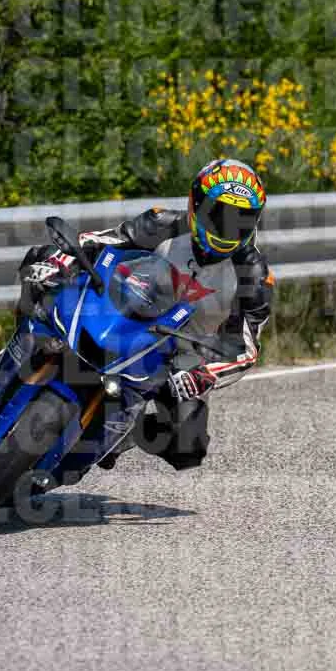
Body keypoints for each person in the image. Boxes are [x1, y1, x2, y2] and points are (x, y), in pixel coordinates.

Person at [17, 157, 273, 471]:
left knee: (188, 447)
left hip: (182, 355)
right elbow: (102, 241)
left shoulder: (254, 276)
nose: (227, 227)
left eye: (240, 220)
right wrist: (59, 262)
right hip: (129, 315)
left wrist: (204, 374)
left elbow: (246, 348)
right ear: (196, 204)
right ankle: (19, 348)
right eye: (219, 214)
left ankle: (123, 433)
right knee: (39, 257)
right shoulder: (162, 223)